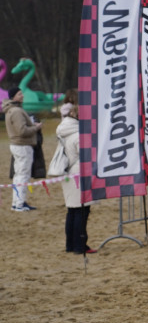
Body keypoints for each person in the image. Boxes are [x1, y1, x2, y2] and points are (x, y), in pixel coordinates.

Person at [55, 93, 95, 254]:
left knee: (72, 211)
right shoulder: (79, 135)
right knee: (81, 211)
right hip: (79, 175)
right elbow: (87, 156)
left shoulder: (64, 131)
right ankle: (80, 245)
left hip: (68, 174)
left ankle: (70, 245)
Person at [3, 88, 43, 211]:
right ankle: (19, 204)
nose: (22, 95)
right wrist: (36, 128)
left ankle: (17, 202)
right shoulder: (16, 111)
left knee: (18, 174)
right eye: (19, 94)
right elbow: (22, 131)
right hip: (23, 146)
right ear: (14, 96)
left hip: (17, 145)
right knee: (23, 175)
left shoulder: (11, 110)